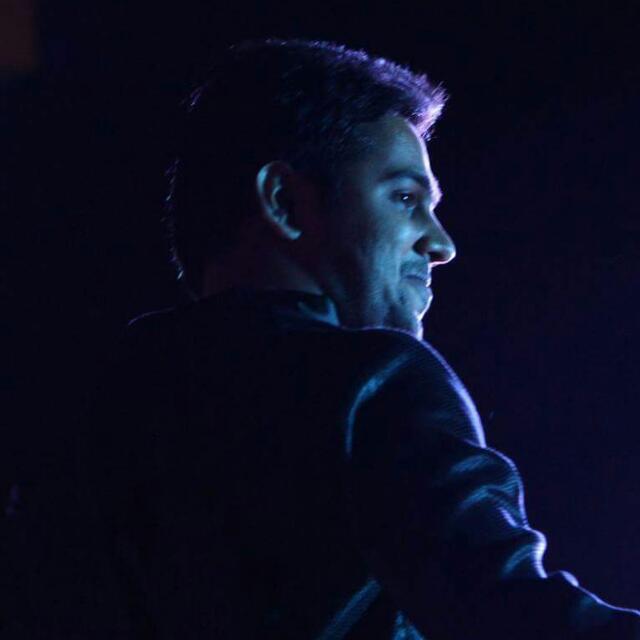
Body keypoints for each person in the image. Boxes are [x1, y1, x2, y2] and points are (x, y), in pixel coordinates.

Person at [74, 37, 640, 638]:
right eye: (405, 198)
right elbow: (514, 615)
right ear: (284, 201)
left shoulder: (100, 407)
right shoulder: (378, 381)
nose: (441, 244)